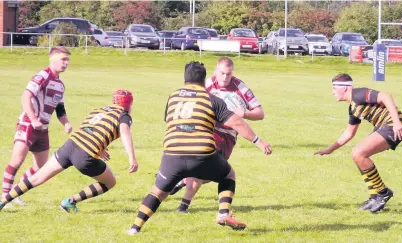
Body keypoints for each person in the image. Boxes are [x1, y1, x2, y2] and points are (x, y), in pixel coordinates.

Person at [127, 62, 272, 236]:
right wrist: (259, 141)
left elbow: (169, 121)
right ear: (204, 81)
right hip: (202, 154)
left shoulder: (173, 96)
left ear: (185, 78)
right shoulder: (212, 99)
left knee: (158, 192)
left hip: (172, 153)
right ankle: (223, 213)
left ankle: (134, 228)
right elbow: (237, 123)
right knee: (228, 175)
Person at [0, 89, 138, 212]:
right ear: (129, 105)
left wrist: (99, 148)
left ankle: (3, 201)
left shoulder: (99, 110)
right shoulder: (124, 115)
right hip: (85, 155)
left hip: (70, 145)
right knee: (110, 182)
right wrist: (132, 157)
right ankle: (70, 202)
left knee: (37, 178)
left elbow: (88, 128)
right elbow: (125, 133)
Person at [172, 57, 265, 214]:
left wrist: (245, 114)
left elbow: (260, 113)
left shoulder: (240, 87)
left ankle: (183, 192)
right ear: (216, 71)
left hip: (228, 136)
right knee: (212, 169)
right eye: (222, 73)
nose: (224, 77)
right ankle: (197, 206)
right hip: (210, 131)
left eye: (228, 74)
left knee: (206, 172)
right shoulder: (207, 84)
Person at [315, 73, 402, 213]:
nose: (332, 92)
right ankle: (374, 197)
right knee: (357, 157)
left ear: (344, 88)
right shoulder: (353, 108)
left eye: (334, 88)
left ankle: (383, 193)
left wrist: (396, 122)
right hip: (385, 127)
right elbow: (349, 133)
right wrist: (329, 149)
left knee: (358, 153)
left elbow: (386, 96)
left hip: (392, 126)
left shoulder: (358, 94)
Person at [2, 46, 72, 207]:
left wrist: (66, 123)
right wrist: (33, 119)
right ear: (52, 59)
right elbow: (26, 96)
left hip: (43, 130)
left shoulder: (60, 85)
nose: (66, 63)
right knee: (17, 160)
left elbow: (59, 108)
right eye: (63, 59)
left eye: (68, 60)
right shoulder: (42, 76)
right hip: (27, 124)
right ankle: (4, 197)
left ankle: (17, 192)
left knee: (40, 168)